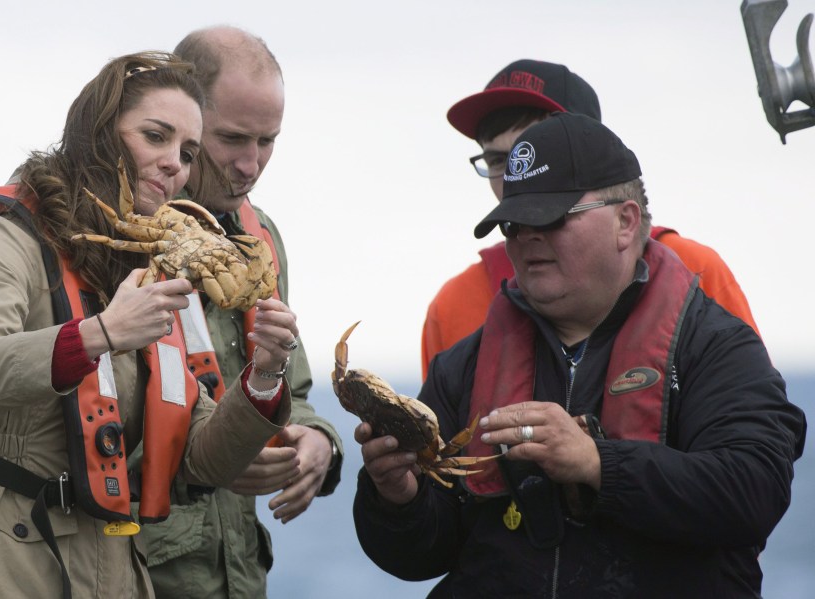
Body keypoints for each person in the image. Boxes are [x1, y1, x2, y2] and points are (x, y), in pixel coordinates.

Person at [353, 112, 806, 597]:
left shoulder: (715, 345)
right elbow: (421, 555)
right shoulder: (463, 364)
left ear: (625, 223)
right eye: (513, 222)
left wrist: (597, 463)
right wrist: (398, 499)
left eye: (551, 216)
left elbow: (755, 490)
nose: (526, 236)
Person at [0, 51, 299, 599]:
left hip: (115, 563)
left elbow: (201, 457)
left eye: (188, 151)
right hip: (1, 559)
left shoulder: (154, 272)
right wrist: (100, 334)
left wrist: (265, 375)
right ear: (98, 136)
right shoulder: (3, 243)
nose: (175, 163)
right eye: (155, 136)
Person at [132, 27, 343, 599]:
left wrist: (317, 442)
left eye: (268, 141)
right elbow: (78, 427)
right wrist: (211, 455)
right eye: (232, 139)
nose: (252, 165)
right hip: (144, 571)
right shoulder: (119, 240)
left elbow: (292, 390)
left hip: (237, 574)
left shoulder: (261, 237)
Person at [421, 59, 760, 379]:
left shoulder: (694, 269)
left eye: (534, 154)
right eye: (499, 161)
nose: (516, 176)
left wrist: (595, 446)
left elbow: (755, 428)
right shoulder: (454, 304)